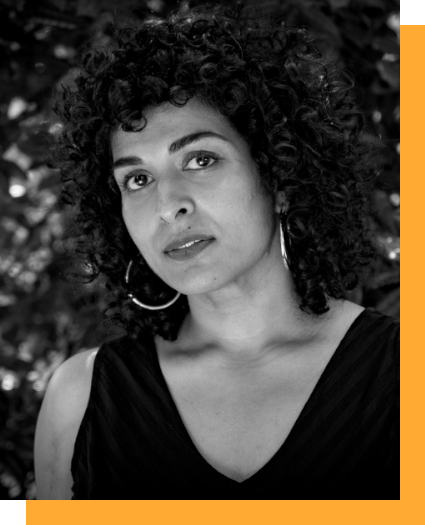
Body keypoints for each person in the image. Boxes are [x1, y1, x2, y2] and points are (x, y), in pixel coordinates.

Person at [34, 3, 399, 500]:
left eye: (200, 159)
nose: (168, 206)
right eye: (137, 179)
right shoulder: (80, 399)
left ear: (279, 176)